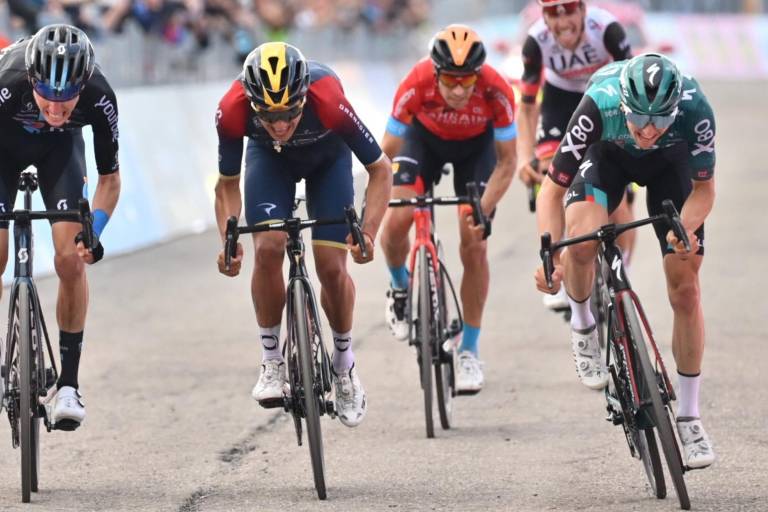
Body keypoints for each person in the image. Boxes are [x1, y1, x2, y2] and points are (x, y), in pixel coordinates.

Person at [534, 53, 716, 469]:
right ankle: (583, 326)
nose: (650, 130)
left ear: (676, 109)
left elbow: (704, 191)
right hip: (608, 160)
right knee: (581, 244)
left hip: (672, 168)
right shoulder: (599, 103)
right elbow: (550, 191)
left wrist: (683, 228)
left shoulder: (695, 109)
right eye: (640, 119)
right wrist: (550, 255)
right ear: (624, 104)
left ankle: (689, 418)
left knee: (686, 288)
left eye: (660, 121)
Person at [214, 42, 392, 427]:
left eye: (290, 114)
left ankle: (344, 366)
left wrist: (370, 232)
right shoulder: (231, 110)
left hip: (328, 160)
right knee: (268, 248)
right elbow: (226, 185)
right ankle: (271, 361)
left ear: (303, 97)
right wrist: (227, 241)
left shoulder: (328, 97)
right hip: (268, 161)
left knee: (331, 266)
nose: (280, 125)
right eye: (268, 116)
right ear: (251, 103)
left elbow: (381, 170)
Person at [380, 24, 517, 394]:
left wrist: (484, 209)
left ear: (478, 75)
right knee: (397, 220)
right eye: (450, 81)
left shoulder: (497, 89)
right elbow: (386, 151)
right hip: (421, 143)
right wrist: (372, 199)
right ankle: (399, 288)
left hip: (476, 151)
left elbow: (508, 164)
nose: (458, 90)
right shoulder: (416, 81)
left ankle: (469, 350)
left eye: (466, 81)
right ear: (436, 73)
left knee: (474, 242)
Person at [0, 24, 121, 428]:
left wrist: (95, 230)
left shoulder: (101, 95)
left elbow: (110, 180)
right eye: (46, 98)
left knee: (71, 259)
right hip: (3, 150)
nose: (55, 110)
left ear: (83, 86)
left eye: (67, 102)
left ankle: (68, 385)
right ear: (31, 80)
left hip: (61, 155)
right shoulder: (7, 80)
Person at [516, 0, 635, 311]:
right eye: (552, 13)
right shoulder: (536, 40)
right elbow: (528, 105)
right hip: (561, 100)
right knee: (548, 173)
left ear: (583, 9)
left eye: (568, 9)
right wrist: (525, 156)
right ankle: (554, 265)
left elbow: (633, 83)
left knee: (618, 191)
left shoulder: (607, 29)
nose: (562, 20)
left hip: (608, 96)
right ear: (543, 16)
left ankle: (624, 278)